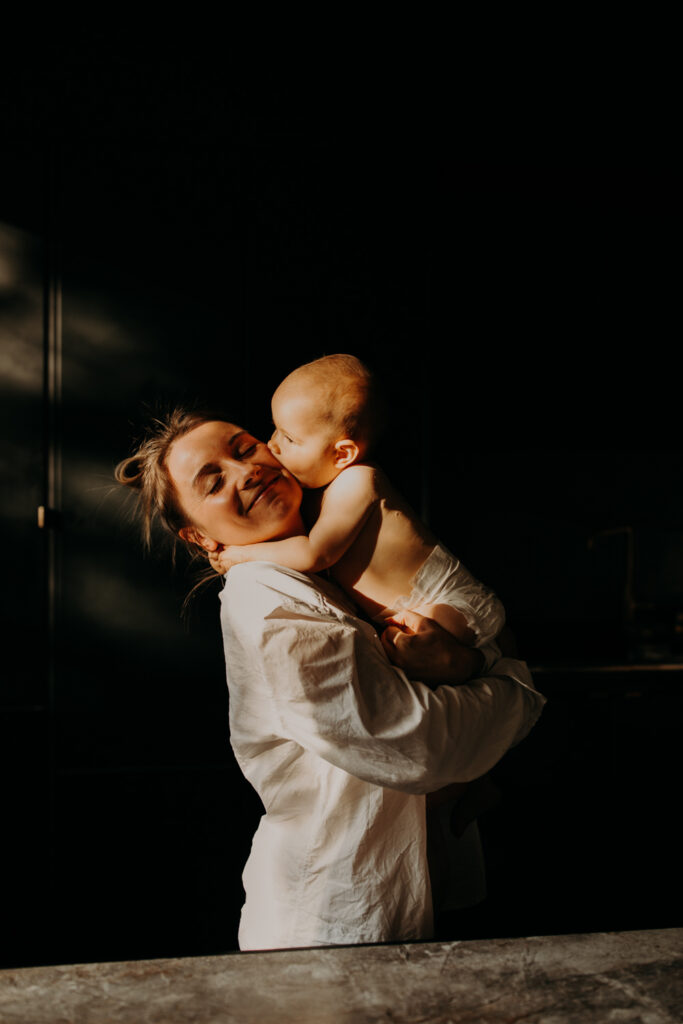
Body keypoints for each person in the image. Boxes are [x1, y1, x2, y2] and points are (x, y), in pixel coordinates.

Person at [116, 409, 545, 950]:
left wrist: (469, 669)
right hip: (334, 917)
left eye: (246, 448)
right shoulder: (266, 601)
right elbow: (414, 742)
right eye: (214, 480)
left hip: (407, 904)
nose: (245, 471)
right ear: (200, 538)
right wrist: (508, 681)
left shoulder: (334, 570)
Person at [211, 355, 505, 676]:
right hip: (415, 610)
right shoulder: (313, 492)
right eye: (275, 430)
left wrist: (239, 555)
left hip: (450, 602)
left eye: (289, 438)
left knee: (417, 659)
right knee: (402, 656)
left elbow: (315, 554)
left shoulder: (358, 481)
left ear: (342, 454)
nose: (273, 445)